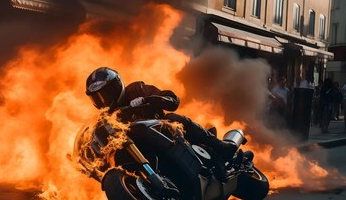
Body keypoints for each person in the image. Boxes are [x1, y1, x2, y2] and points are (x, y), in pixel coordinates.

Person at [85, 67, 237, 159]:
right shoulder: (107, 117)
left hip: (166, 132)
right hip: (141, 147)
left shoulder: (137, 89)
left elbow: (173, 100)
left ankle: (220, 146)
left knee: (172, 118)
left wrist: (148, 99)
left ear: (117, 85)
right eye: (98, 97)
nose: (104, 99)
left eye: (106, 92)